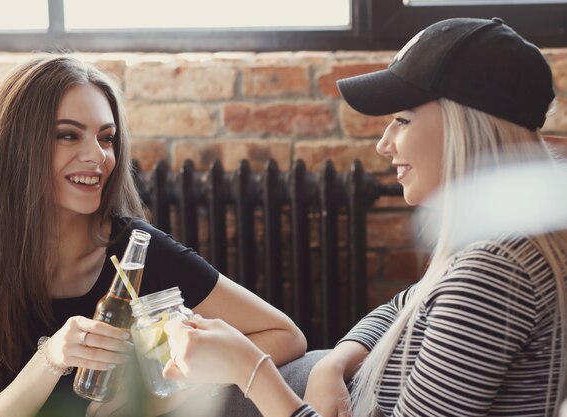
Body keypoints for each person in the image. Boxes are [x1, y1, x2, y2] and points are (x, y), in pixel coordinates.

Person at [161, 17, 567, 417]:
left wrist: (249, 368)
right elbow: (405, 304)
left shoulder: (493, 273)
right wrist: (334, 362)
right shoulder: (507, 241)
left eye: (402, 120)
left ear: (467, 127)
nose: (383, 144)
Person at [0, 55, 307, 417]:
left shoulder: (139, 252)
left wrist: (163, 397)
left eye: (106, 137)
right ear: (15, 147)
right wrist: (51, 357)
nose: (98, 156)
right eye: (68, 135)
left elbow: (284, 334)